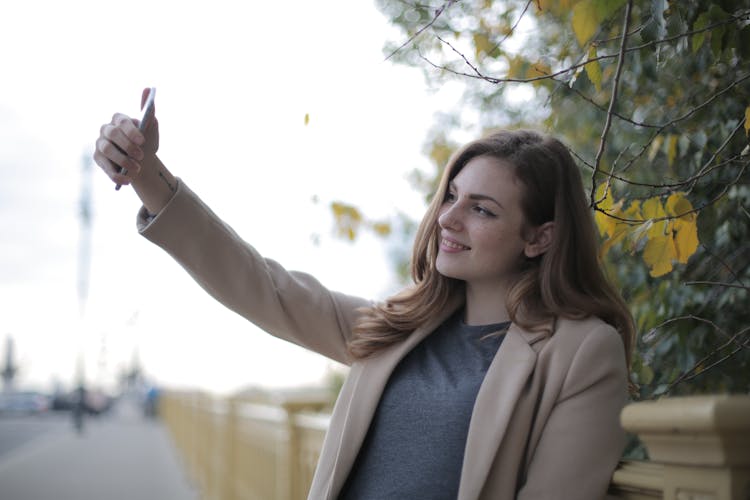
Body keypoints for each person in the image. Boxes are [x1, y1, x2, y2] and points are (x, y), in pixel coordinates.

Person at [94, 90, 635, 500]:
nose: (448, 218)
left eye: (482, 209)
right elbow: (262, 286)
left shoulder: (582, 352)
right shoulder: (398, 326)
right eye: (452, 196)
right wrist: (149, 178)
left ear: (540, 236)